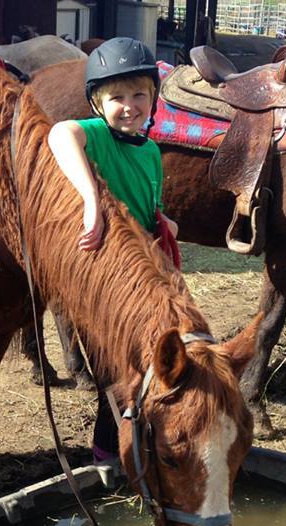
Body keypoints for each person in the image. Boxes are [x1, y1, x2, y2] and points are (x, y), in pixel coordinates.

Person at [46, 37, 179, 461]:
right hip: (106, 276)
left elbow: (148, 204)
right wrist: (91, 200)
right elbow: (59, 133)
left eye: (139, 94)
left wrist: (163, 221)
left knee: (141, 361)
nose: (129, 105)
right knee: (114, 369)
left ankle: (130, 444)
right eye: (116, 97)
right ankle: (108, 454)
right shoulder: (97, 135)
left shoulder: (152, 150)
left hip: (142, 272)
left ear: (154, 98)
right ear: (98, 104)